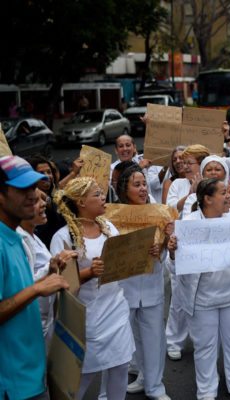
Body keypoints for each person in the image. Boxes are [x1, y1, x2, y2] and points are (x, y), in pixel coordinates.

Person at [167, 178, 230, 400]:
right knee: (205, 346)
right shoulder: (189, 224)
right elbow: (174, 267)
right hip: (202, 299)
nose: (228, 196)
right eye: (223, 192)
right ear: (207, 198)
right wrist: (173, 253)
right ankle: (206, 391)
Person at [51, 177, 137, 400]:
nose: (103, 197)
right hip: (86, 316)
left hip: (115, 309)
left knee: (120, 367)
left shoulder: (108, 227)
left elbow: (122, 261)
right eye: (97, 194)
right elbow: (59, 283)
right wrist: (90, 273)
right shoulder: (63, 237)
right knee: (84, 374)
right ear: (81, 202)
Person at [0, 155, 69, 400]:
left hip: (32, 375)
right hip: (12, 384)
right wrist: (38, 289)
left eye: (33, 186)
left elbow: (17, 292)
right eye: (22, 188)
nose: (33, 195)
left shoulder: (17, 238)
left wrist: (45, 279)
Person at [114, 166, 173, 400]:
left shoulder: (160, 213)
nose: (142, 189)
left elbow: (166, 252)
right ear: (124, 189)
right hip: (124, 287)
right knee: (130, 338)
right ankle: (140, 376)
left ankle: (155, 386)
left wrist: (165, 240)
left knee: (154, 338)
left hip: (151, 285)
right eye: (136, 185)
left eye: (144, 184)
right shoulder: (113, 216)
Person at [18, 188, 77, 348]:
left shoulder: (33, 236)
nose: (44, 204)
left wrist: (54, 267)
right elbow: (21, 288)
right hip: (29, 328)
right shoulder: (18, 240)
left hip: (44, 322)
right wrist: (51, 269)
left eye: (43, 199)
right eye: (35, 201)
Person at [166, 144, 210, 214]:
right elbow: (170, 209)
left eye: (189, 163)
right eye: (184, 163)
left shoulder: (212, 185)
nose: (185, 167)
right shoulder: (177, 184)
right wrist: (190, 195)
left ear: (202, 164)